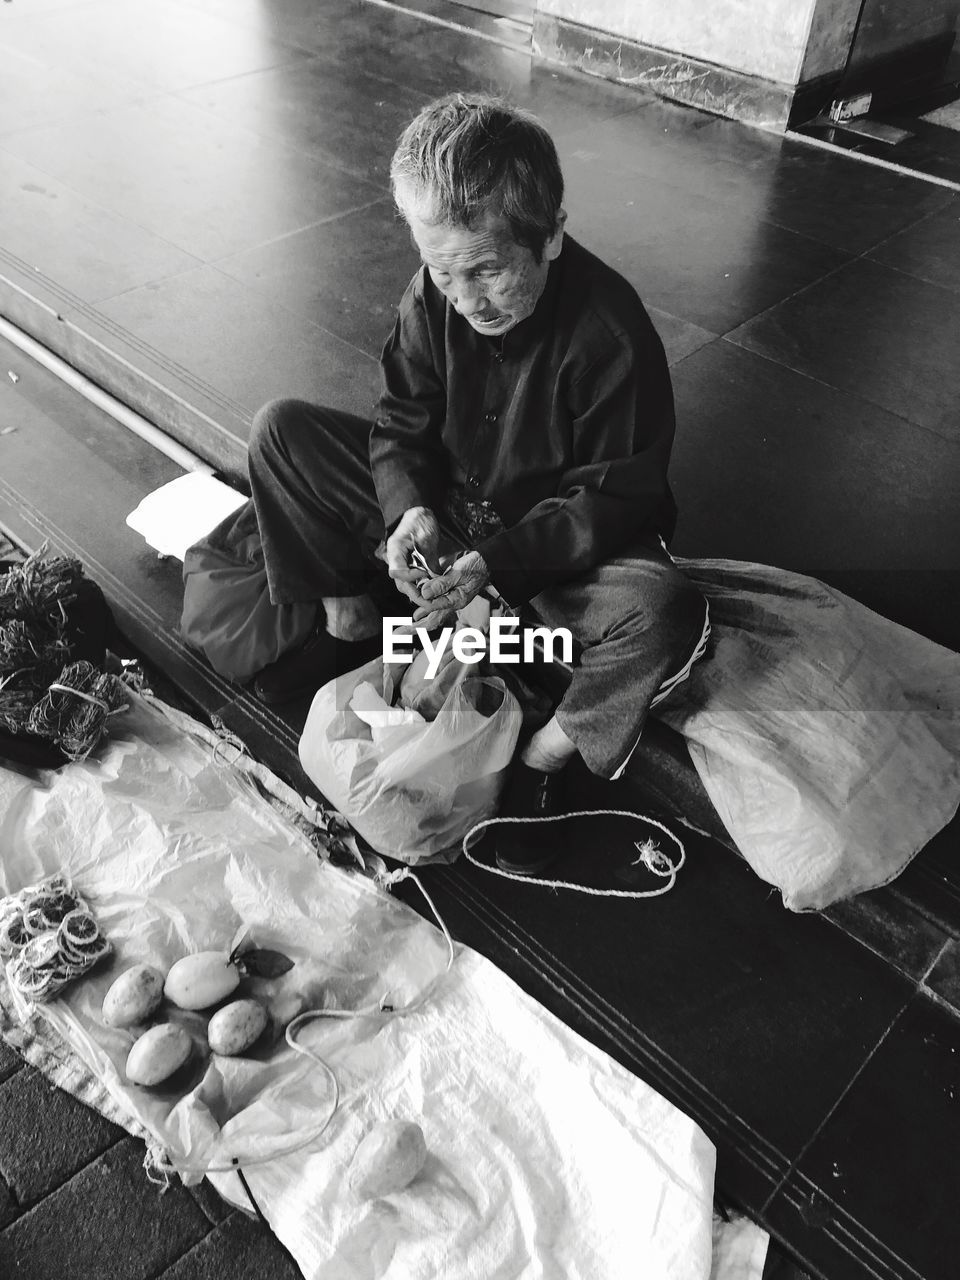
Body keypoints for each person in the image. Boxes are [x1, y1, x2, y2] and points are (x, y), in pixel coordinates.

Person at [245, 92, 710, 873]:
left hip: (559, 557)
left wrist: (501, 565)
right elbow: (400, 420)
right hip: (458, 525)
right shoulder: (436, 295)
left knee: (662, 611)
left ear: (552, 235)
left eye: (489, 271)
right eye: (445, 272)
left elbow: (614, 497)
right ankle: (350, 623)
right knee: (281, 431)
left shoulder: (609, 333)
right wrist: (408, 511)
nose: (467, 299)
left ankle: (545, 758)